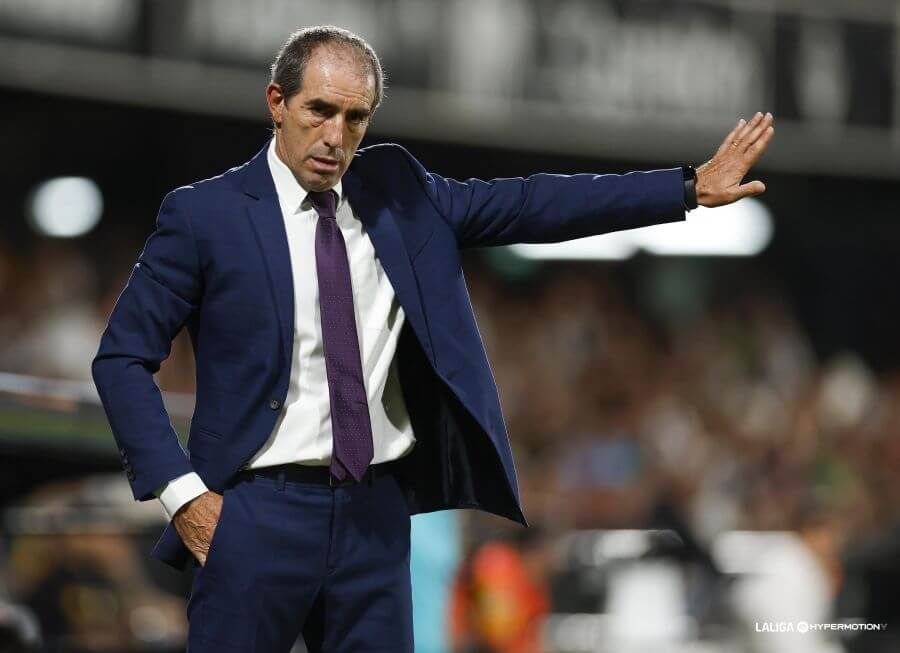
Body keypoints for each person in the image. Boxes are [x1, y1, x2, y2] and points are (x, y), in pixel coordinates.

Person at [91, 25, 775, 653]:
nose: (336, 135)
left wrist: (685, 189)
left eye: (355, 118)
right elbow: (121, 357)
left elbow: (534, 202)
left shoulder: (400, 193)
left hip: (373, 516)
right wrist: (182, 495)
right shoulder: (205, 214)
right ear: (277, 101)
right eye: (319, 110)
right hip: (256, 511)